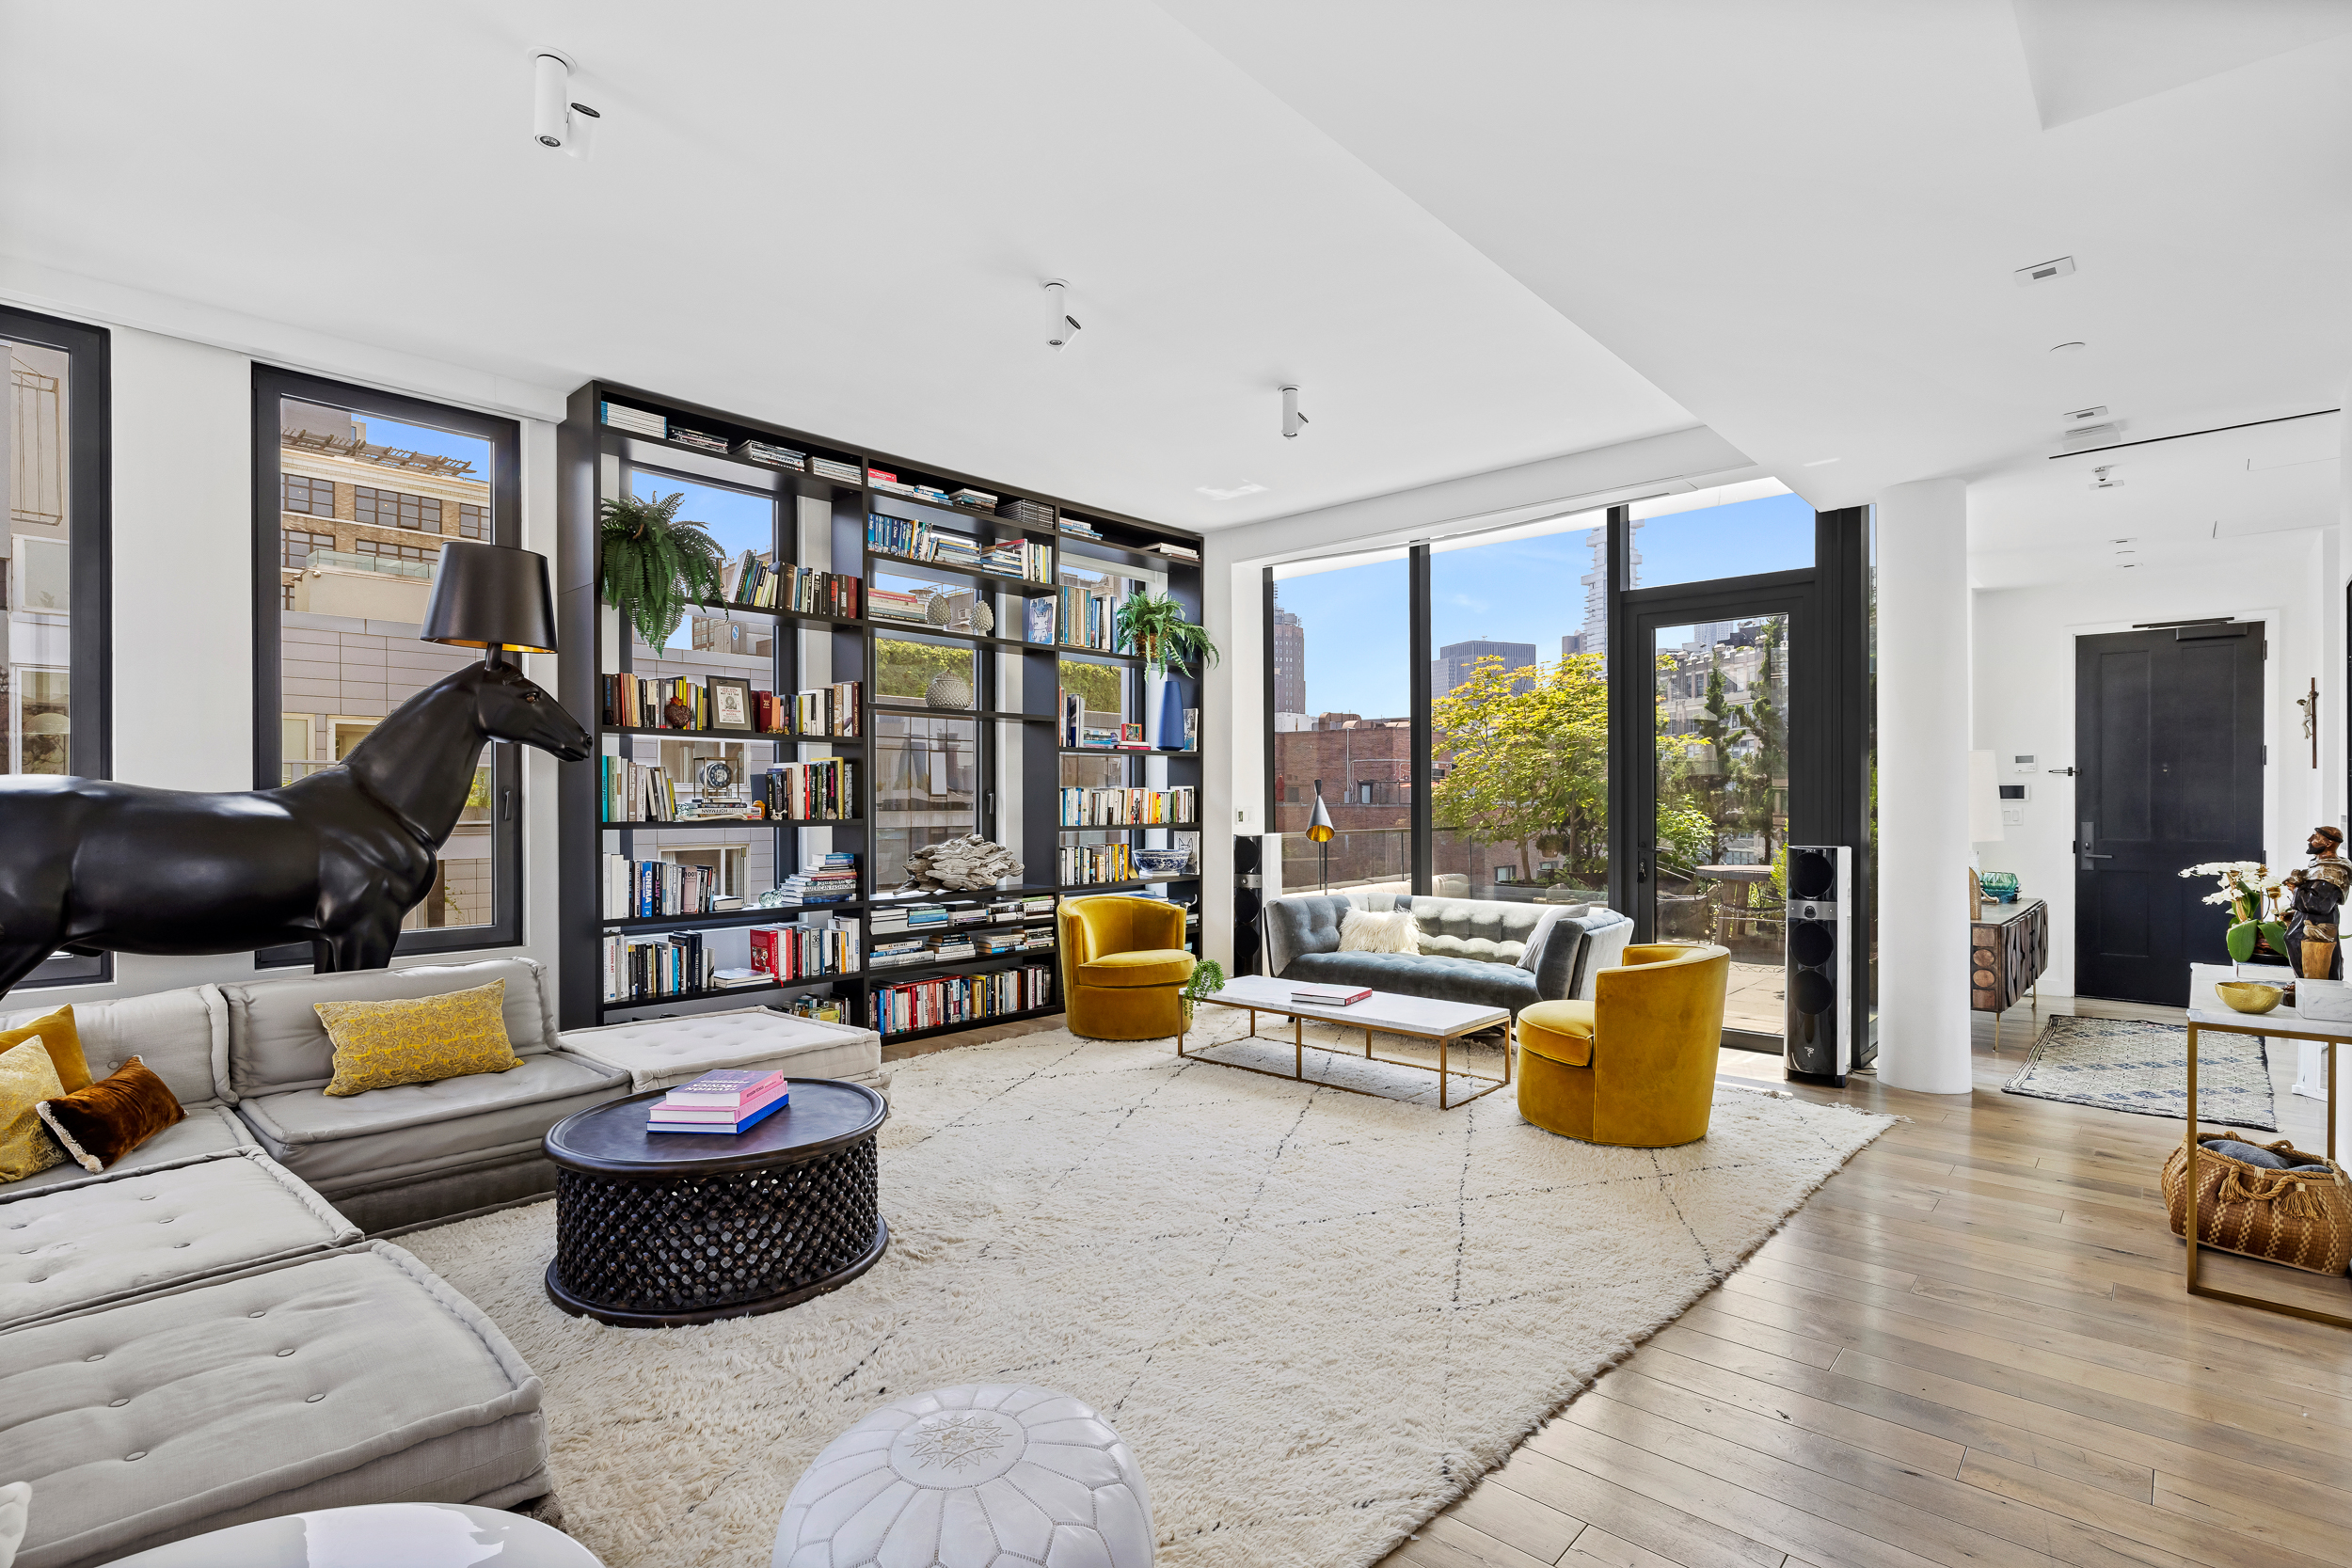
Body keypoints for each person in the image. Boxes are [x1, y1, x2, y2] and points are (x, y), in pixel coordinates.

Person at [2280, 825, 2349, 980]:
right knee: (2293, 940)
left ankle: (2312, 986)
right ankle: (2303, 982)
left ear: (2328, 843)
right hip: (2310, 919)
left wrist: (2295, 889)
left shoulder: (2331, 870)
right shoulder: (2320, 865)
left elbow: (2319, 904)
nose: (2310, 840)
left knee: (2312, 951)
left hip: (2318, 924)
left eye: (2315, 837)